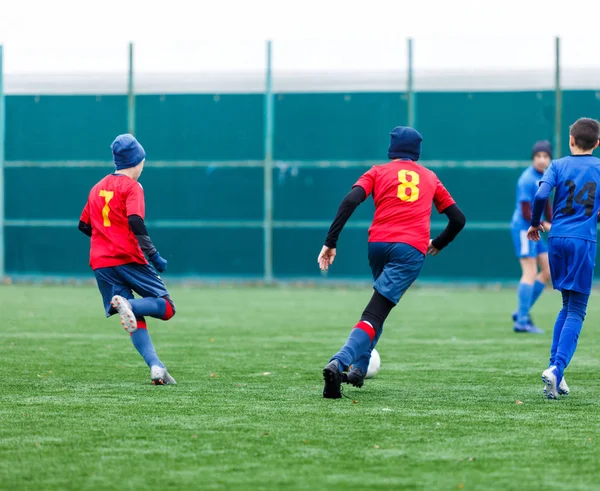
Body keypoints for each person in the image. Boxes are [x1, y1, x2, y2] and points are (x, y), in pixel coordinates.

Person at [318, 126, 466, 399]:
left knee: (379, 309)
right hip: (409, 250)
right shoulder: (431, 178)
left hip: (377, 246)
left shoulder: (377, 171)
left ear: (392, 149)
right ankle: (340, 362)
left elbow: (351, 199)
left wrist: (331, 241)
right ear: (416, 152)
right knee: (375, 313)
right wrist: (438, 243)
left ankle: (359, 368)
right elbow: (458, 219)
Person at [79, 134, 177, 385]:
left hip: (102, 263)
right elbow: (135, 220)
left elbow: (84, 225)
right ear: (138, 160)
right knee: (166, 307)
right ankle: (129, 304)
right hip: (128, 257)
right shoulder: (132, 187)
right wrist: (153, 255)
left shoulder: (97, 187)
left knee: (132, 318)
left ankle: (156, 366)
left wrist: (105, 237)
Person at [528, 118, 600, 399]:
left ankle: (555, 372)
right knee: (577, 309)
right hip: (583, 241)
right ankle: (556, 368)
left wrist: (535, 223)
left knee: (566, 304)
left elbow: (542, 193)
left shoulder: (557, 164)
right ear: (597, 143)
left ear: (571, 140)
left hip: (556, 239)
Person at [510, 141, 554, 334]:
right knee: (529, 271)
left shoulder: (546, 175)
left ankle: (522, 311)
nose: (542, 160)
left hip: (536, 229)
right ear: (533, 158)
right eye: (538, 156)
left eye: (545, 156)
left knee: (548, 271)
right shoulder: (527, 179)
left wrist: (553, 222)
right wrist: (546, 225)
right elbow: (527, 213)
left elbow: (546, 203)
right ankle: (522, 320)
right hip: (524, 228)